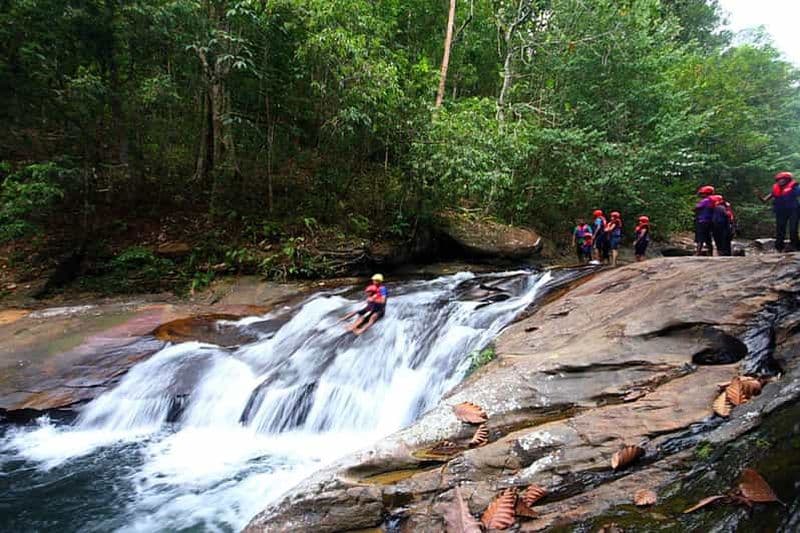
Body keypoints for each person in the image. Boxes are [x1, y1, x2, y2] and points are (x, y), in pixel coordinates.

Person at [758, 171, 800, 252]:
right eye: (779, 180)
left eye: (783, 179)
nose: (780, 181)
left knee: (793, 229)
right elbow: (764, 200)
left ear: (787, 180)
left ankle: (795, 246)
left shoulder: (795, 186)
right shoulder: (775, 188)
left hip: (793, 210)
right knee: (780, 229)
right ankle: (779, 247)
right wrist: (759, 196)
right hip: (781, 211)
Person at [694, 185, 715, 256]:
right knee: (708, 237)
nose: (701, 195)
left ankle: (698, 252)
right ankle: (710, 252)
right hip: (709, 221)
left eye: (702, 193)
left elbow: (696, 208)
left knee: (700, 237)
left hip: (702, 221)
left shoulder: (705, 200)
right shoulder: (712, 200)